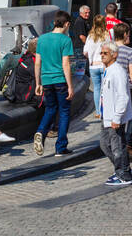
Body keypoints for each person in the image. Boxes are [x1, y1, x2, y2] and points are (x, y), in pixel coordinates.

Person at [33, 11, 76, 156]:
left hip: (46, 80)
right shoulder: (65, 40)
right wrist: (70, 86)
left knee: (50, 109)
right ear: (67, 24)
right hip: (60, 80)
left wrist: (38, 83)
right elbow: (66, 65)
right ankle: (61, 147)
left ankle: (40, 131)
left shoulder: (42, 39)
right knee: (64, 112)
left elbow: (37, 62)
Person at [98, 41, 132, 187]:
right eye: (101, 53)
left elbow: (123, 96)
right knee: (105, 144)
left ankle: (123, 174)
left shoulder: (118, 71)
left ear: (114, 54)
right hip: (107, 116)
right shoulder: (108, 70)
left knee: (117, 146)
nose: (102, 55)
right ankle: (122, 169)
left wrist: (117, 117)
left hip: (114, 117)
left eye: (105, 53)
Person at [112, 23, 132, 156]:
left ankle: (118, 143)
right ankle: (128, 144)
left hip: (113, 89)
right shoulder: (130, 51)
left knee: (117, 115)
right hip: (126, 87)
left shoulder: (109, 49)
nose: (129, 36)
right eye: (128, 34)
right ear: (124, 35)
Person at [83, 14, 110, 117]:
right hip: (104, 65)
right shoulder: (106, 35)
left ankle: (98, 112)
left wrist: (91, 55)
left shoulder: (90, 36)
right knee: (105, 89)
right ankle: (105, 110)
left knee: (97, 89)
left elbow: (85, 52)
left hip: (93, 66)